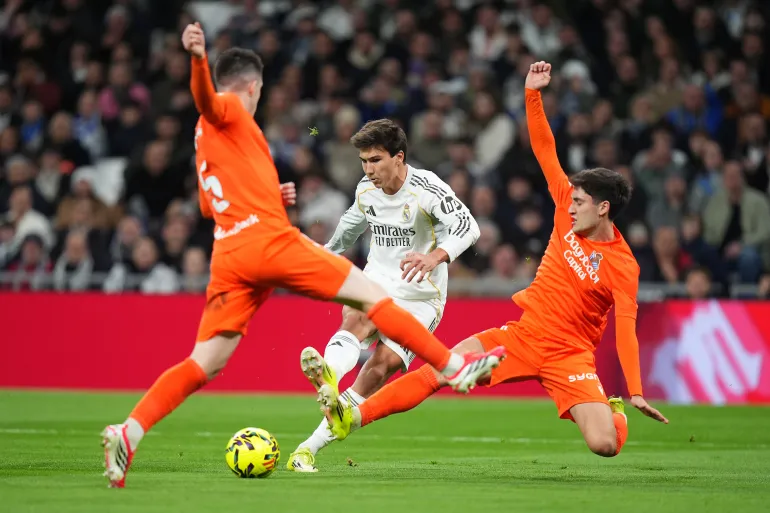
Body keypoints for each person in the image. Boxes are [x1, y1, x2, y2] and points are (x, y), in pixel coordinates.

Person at [100, 23, 505, 489]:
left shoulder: (203, 140)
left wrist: (270, 196)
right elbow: (208, 101)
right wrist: (197, 60)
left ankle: (129, 431)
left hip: (229, 253)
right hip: (269, 241)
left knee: (205, 361)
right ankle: (454, 367)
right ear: (253, 87)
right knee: (372, 299)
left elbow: (209, 206)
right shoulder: (230, 109)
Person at [321, 62, 669, 459]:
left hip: (571, 354)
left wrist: (636, 391)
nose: (570, 206)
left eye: (580, 202)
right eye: (571, 199)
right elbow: (544, 148)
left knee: (604, 445)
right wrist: (532, 94)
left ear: (603, 208)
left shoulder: (623, 265)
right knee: (441, 369)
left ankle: (614, 411)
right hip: (522, 336)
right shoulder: (564, 207)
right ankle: (353, 416)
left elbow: (626, 330)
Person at [288, 119, 481, 472]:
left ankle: (307, 448)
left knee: (379, 369)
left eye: (375, 160)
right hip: (378, 280)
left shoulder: (427, 188)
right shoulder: (366, 190)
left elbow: (468, 226)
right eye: (364, 161)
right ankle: (330, 374)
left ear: (399, 157)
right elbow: (349, 228)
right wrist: (322, 254)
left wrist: (435, 257)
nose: (368, 169)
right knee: (356, 317)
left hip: (421, 296)